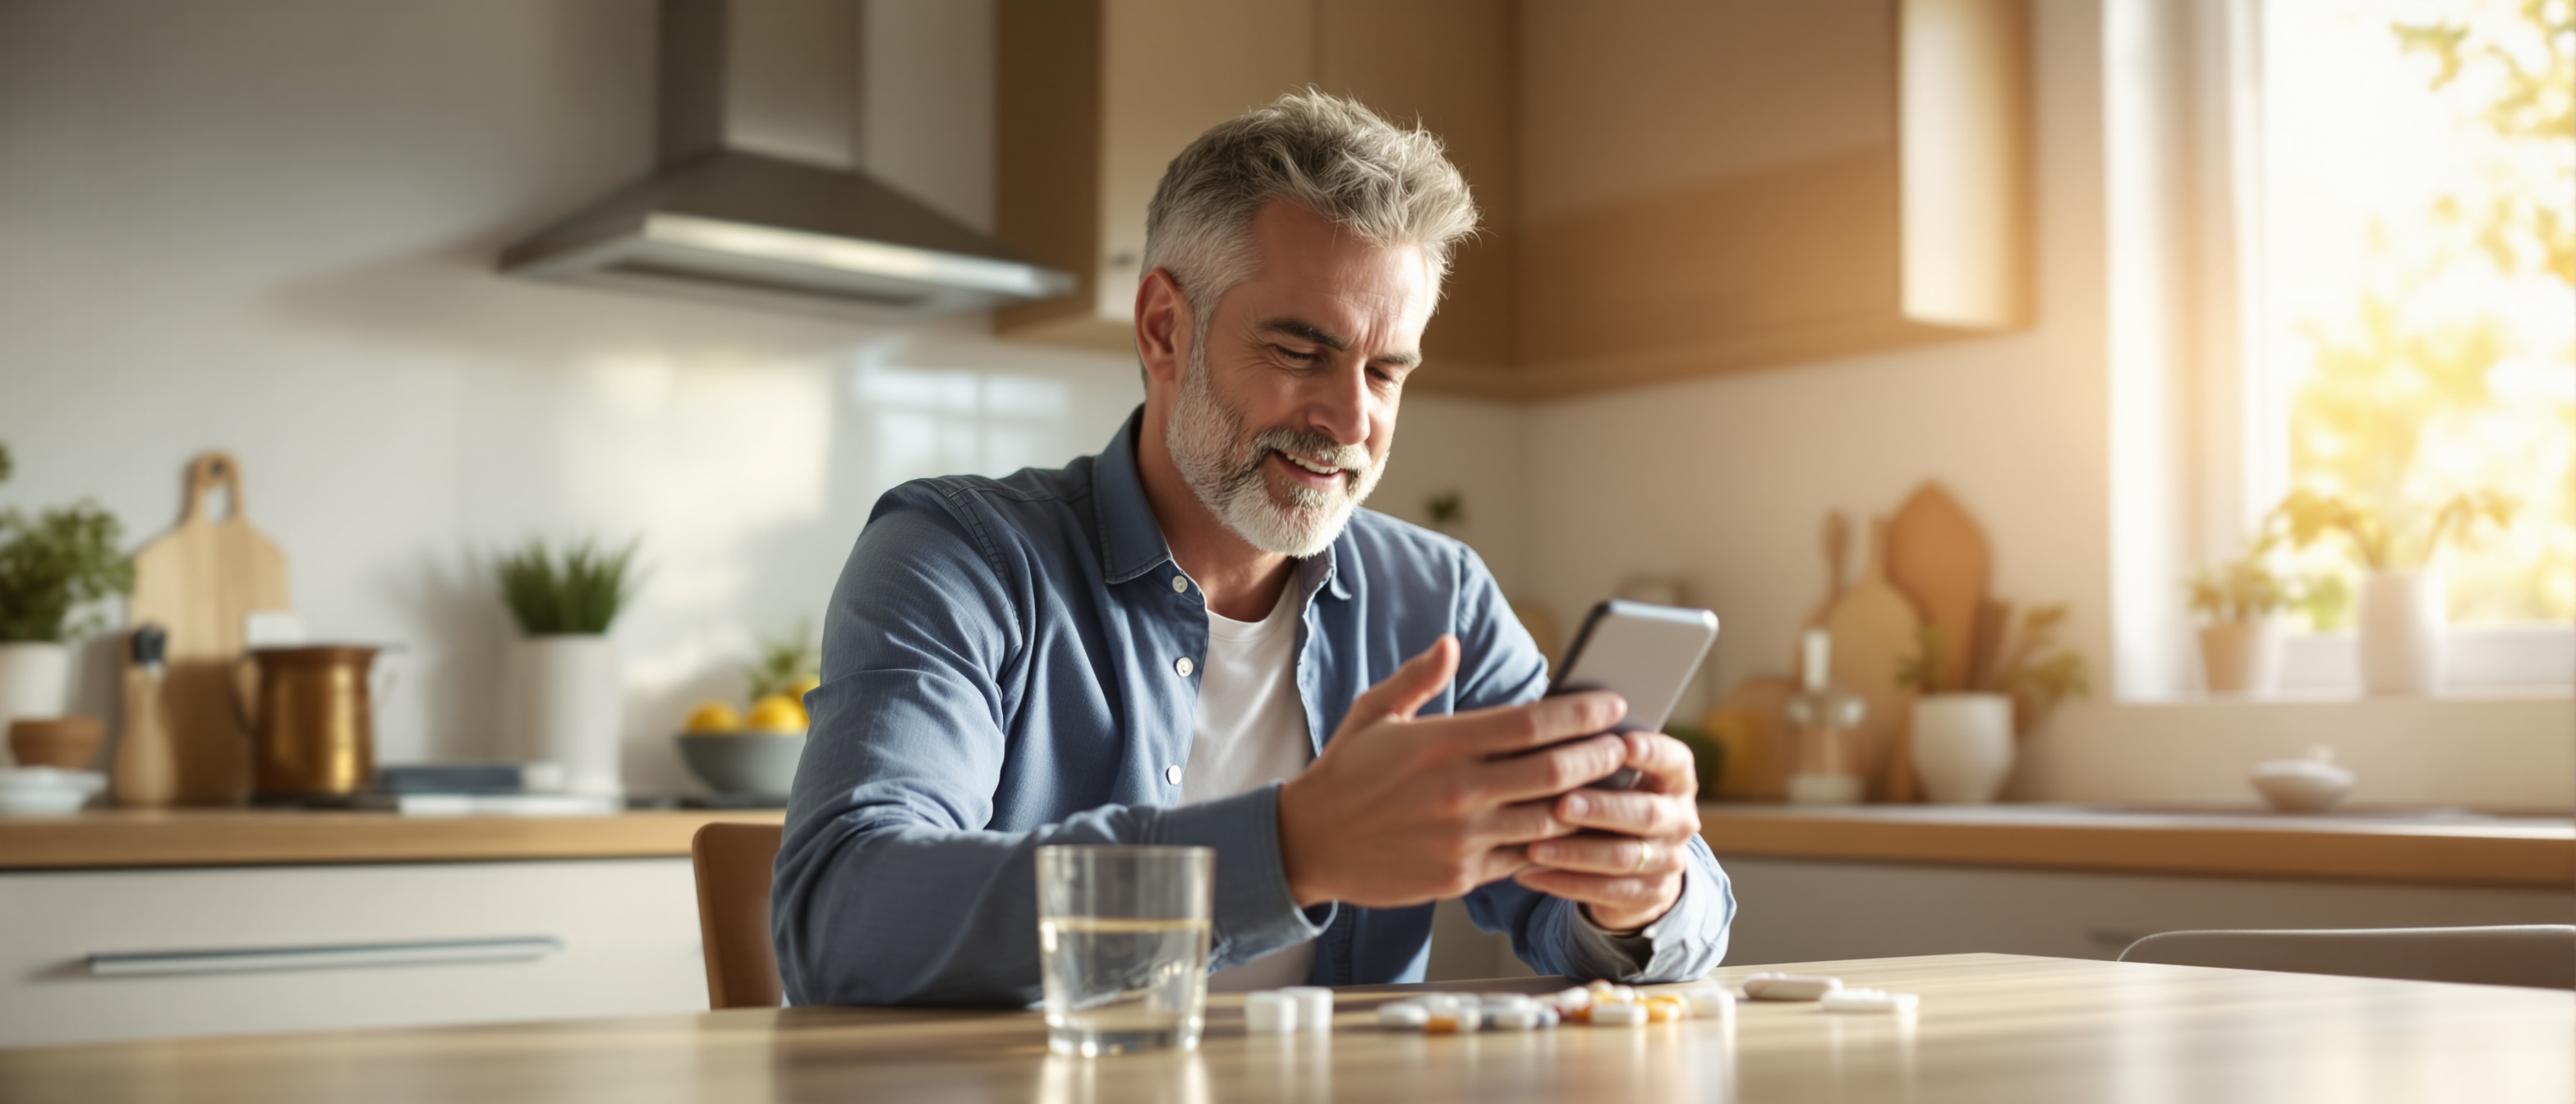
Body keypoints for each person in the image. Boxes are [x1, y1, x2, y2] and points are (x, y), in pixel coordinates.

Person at [775, 90, 1732, 1006]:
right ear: (1163, 329)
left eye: (1387, 371)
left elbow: (1674, 920)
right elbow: (843, 919)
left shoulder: (1438, 600)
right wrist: (1290, 849)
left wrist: (1635, 890)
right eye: (1298, 352)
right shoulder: (962, 559)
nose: (1350, 418)